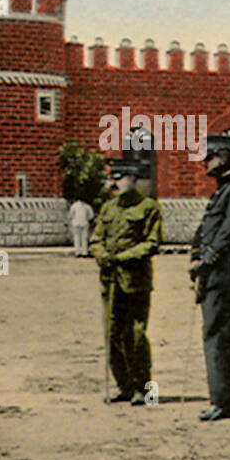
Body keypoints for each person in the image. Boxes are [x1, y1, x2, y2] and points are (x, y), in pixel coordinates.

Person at [189, 134, 230, 421]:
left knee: (219, 334)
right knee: (214, 332)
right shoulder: (222, 192)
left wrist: (207, 260)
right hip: (213, 272)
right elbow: (204, 230)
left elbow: (229, 232)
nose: (206, 162)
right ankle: (222, 398)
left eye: (211, 155)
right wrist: (194, 257)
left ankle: (226, 402)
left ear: (226, 156)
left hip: (225, 272)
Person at [90, 158, 163, 405]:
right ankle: (125, 386)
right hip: (110, 281)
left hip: (135, 280)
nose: (116, 183)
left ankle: (145, 388)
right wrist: (101, 255)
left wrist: (121, 257)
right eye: (114, 178)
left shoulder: (149, 207)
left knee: (136, 335)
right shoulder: (108, 208)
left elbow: (151, 243)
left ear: (133, 178)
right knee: (113, 334)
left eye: (120, 178)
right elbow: (96, 239)